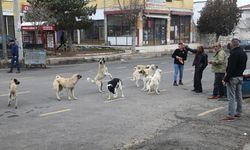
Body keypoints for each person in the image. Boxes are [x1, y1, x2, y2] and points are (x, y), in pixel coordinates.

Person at [222, 38, 248, 121]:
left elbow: (231, 68)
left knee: (231, 97)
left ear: (233, 44)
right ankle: (239, 112)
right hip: (240, 76)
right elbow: (243, 66)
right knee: (239, 95)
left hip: (233, 77)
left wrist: (225, 79)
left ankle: (231, 114)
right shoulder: (244, 53)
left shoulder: (233, 54)